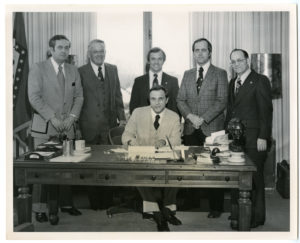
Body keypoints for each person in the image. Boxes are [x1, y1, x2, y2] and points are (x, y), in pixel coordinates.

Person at [28, 35, 84, 225]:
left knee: (66, 168)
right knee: (43, 170)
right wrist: (52, 117)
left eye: (67, 47)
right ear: (51, 49)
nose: (64, 51)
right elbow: (34, 97)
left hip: (67, 127)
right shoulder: (38, 68)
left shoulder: (73, 70)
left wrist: (71, 118)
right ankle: (40, 208)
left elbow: (79, 98)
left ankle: (65, 205)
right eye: (60, 47)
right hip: (45, 127)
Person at [176, 38, 228, 218]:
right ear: (193, 53)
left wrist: (202, 119)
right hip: (191, 129)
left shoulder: (220, 73)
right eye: (196, 50)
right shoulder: (187, 74)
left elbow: (222, 101)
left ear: (210, 52)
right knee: (191, 167)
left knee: (215, 168)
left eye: (203, 50)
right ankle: (193, 201)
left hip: (212, 128)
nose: (199, 53)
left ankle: (216, 206)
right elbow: (180, 99)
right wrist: (190, 117)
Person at [122, 85, 182, 231]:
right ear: (149, 100)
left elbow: (176, 142)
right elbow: (126, 136)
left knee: (176, 171)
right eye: (153, 99)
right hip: (143, 158)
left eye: (161, 99)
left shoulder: (174, 116)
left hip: (164, 159)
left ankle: (168, 209)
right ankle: (155, 212)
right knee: (140, 172)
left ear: (167, 100)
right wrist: (135, 144)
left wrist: (164, 143)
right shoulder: (137, 113)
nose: (157, 103)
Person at [225, 49, 273, 228]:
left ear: (247, 61)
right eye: (233, 61)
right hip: (236, 139)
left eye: (239, 60)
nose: (236, 64)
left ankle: (255, 218)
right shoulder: (233, 82)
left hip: (255, 138)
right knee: (238, 178)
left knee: (254, 178)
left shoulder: (260, 80)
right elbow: (231, 111)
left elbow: (266, 112)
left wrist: (263, 136)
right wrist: (225, 135)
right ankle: (238, 214)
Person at [78, 39, 126, 210]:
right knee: (91, 166)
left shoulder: (112, 69)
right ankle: (95, 203)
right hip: (88, 128)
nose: (99, 54)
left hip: (109, 128)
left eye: (102, 51)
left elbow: (118, 96)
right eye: (96, 51)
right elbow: (77, 100)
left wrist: (122, 117)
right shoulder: (80, 71)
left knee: (109, 165)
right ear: (89, 53)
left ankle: (107, 201)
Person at [129, 47, 179, 115]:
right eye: (153, 59)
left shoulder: (173, 81)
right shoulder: (138, 81)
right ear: (148, 61)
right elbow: (133, 107)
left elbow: (176, 108)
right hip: (143, 123)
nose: (156, 62)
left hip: (166, 124)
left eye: (159, 59)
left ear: (163, 61)